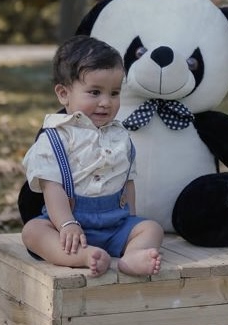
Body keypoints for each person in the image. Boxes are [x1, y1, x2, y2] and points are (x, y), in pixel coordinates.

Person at [22, 35, 163, 276]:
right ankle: (84, 256)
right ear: (64, 94)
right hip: (68, 225)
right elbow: (52, 188)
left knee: (151, 228)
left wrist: (130, 220)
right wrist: (66, 223)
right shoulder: (55, 138)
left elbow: (127, 181)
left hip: (115, 223)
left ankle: (131, 256)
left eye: (114, 93)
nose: (106, 102)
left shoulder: (120, 137)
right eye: (95, 92)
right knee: (33, 231)